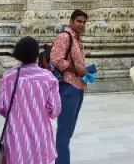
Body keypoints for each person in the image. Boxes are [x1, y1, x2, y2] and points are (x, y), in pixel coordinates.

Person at [0, 36, 61, 164]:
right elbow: (55, 110)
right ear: (37, 53)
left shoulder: (8, 77)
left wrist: (14, 114)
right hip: (40, 137)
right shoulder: (48, 78)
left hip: (16, 139)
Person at [51, 10, 92, 164]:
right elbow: (55, 60)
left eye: (84, 22)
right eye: (79, 21)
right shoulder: (65, 36)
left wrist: (84, 72)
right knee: (64, 133)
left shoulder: (76, 39)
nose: (81, 24)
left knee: (67, 132)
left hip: (78, 86)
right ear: (71, 21)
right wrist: (76, 70)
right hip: (68, 86)